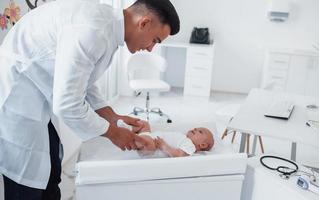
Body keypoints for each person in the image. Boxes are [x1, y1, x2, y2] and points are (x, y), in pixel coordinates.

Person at [0, 0, 180, 199]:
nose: (151, 49)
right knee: (28, 182)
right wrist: (114, 133)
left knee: (51, 170)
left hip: (38, 92)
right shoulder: (93, 30)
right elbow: (67, 103)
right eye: (155, 40)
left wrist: (111, 115)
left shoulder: (106, 25)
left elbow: (83, 78)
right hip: (19, 95)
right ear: (144, 23)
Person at [120, 120, 215, 157]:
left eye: (200, 131)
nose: (195, 129)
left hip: (151, 147)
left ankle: (127, 133)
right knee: (145, 124)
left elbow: (179, 155)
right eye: (196, 128)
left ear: (202, 145)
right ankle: (129, 129)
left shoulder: (190, 146)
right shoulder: (183, 137)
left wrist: (163, 146)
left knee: (146, 142)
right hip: (149, 136)